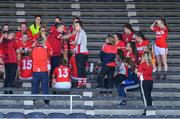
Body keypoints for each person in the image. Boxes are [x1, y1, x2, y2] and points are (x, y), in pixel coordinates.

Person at [31, 36, 51, 105]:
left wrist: (35, 43)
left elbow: (31, 54)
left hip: (36, 70)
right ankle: (46, 101)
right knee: (45, 86)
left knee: (35, 86)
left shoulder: (33, 49)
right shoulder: (45, 49)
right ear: (43, 42)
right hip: (43, 70)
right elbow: (49, 54)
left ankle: (33, 100)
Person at [74, 20, 88, 88]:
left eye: (76, 25)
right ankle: (84, 83)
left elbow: (78, 43)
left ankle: (80, 83)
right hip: (84, 52)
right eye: (75, 25)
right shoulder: (82, 32)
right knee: (83, 68)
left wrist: (72, 42)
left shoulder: (80, 32)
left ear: (80, 26)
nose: (75, 27)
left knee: (79, 68)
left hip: (80, 53)